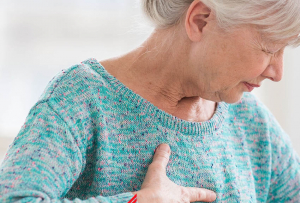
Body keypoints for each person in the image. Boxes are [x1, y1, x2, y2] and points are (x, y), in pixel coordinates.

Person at [1, 0, 300, 202]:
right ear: (201, 20)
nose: (278, 73)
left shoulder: (251, 122)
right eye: (268, 47)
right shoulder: (82, 99)